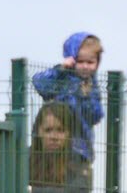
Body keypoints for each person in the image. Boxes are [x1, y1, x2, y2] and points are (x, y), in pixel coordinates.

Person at [32, 33, 103, 162]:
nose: (85, 66)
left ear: (97, 63)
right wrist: (60, 70)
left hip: (80, 147)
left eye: (90, 62)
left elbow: (96, 115)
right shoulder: (62, 78)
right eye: (80, 61)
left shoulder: (93, 86)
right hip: (53, 143)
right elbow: (39, 83)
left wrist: (86, 97)